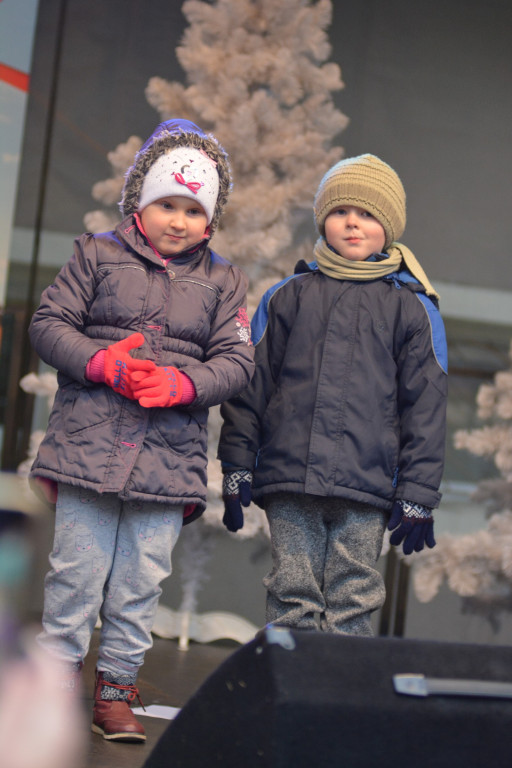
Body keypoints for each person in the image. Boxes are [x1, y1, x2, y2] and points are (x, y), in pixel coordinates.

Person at [28, 118, 254, 742]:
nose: (178, 221)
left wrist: (183, 384)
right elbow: (49, 325)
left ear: (210, 222)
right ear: (140, 204)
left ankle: (116, 691)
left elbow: (237, 361)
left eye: (193, 210)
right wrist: (100, 362)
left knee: (139, 581)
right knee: (75, 574)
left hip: (167, 461)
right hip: (88, 449)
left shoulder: (224, 281)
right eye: (166, 205)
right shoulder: (95, 254)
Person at [218, 153, 447, 636]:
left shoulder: (413, 308)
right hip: (291, 477)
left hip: (368, 485)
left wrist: (418, 493)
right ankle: (288, 681)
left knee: (353, 597)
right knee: (291, 592)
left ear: (389, 226)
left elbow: (425, 408)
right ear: (323, 219)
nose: (353, 223)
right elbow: (251, 385)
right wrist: (237, 462)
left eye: (367, 214)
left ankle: (340, 684)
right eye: (341, 211)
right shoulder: (288, 295)